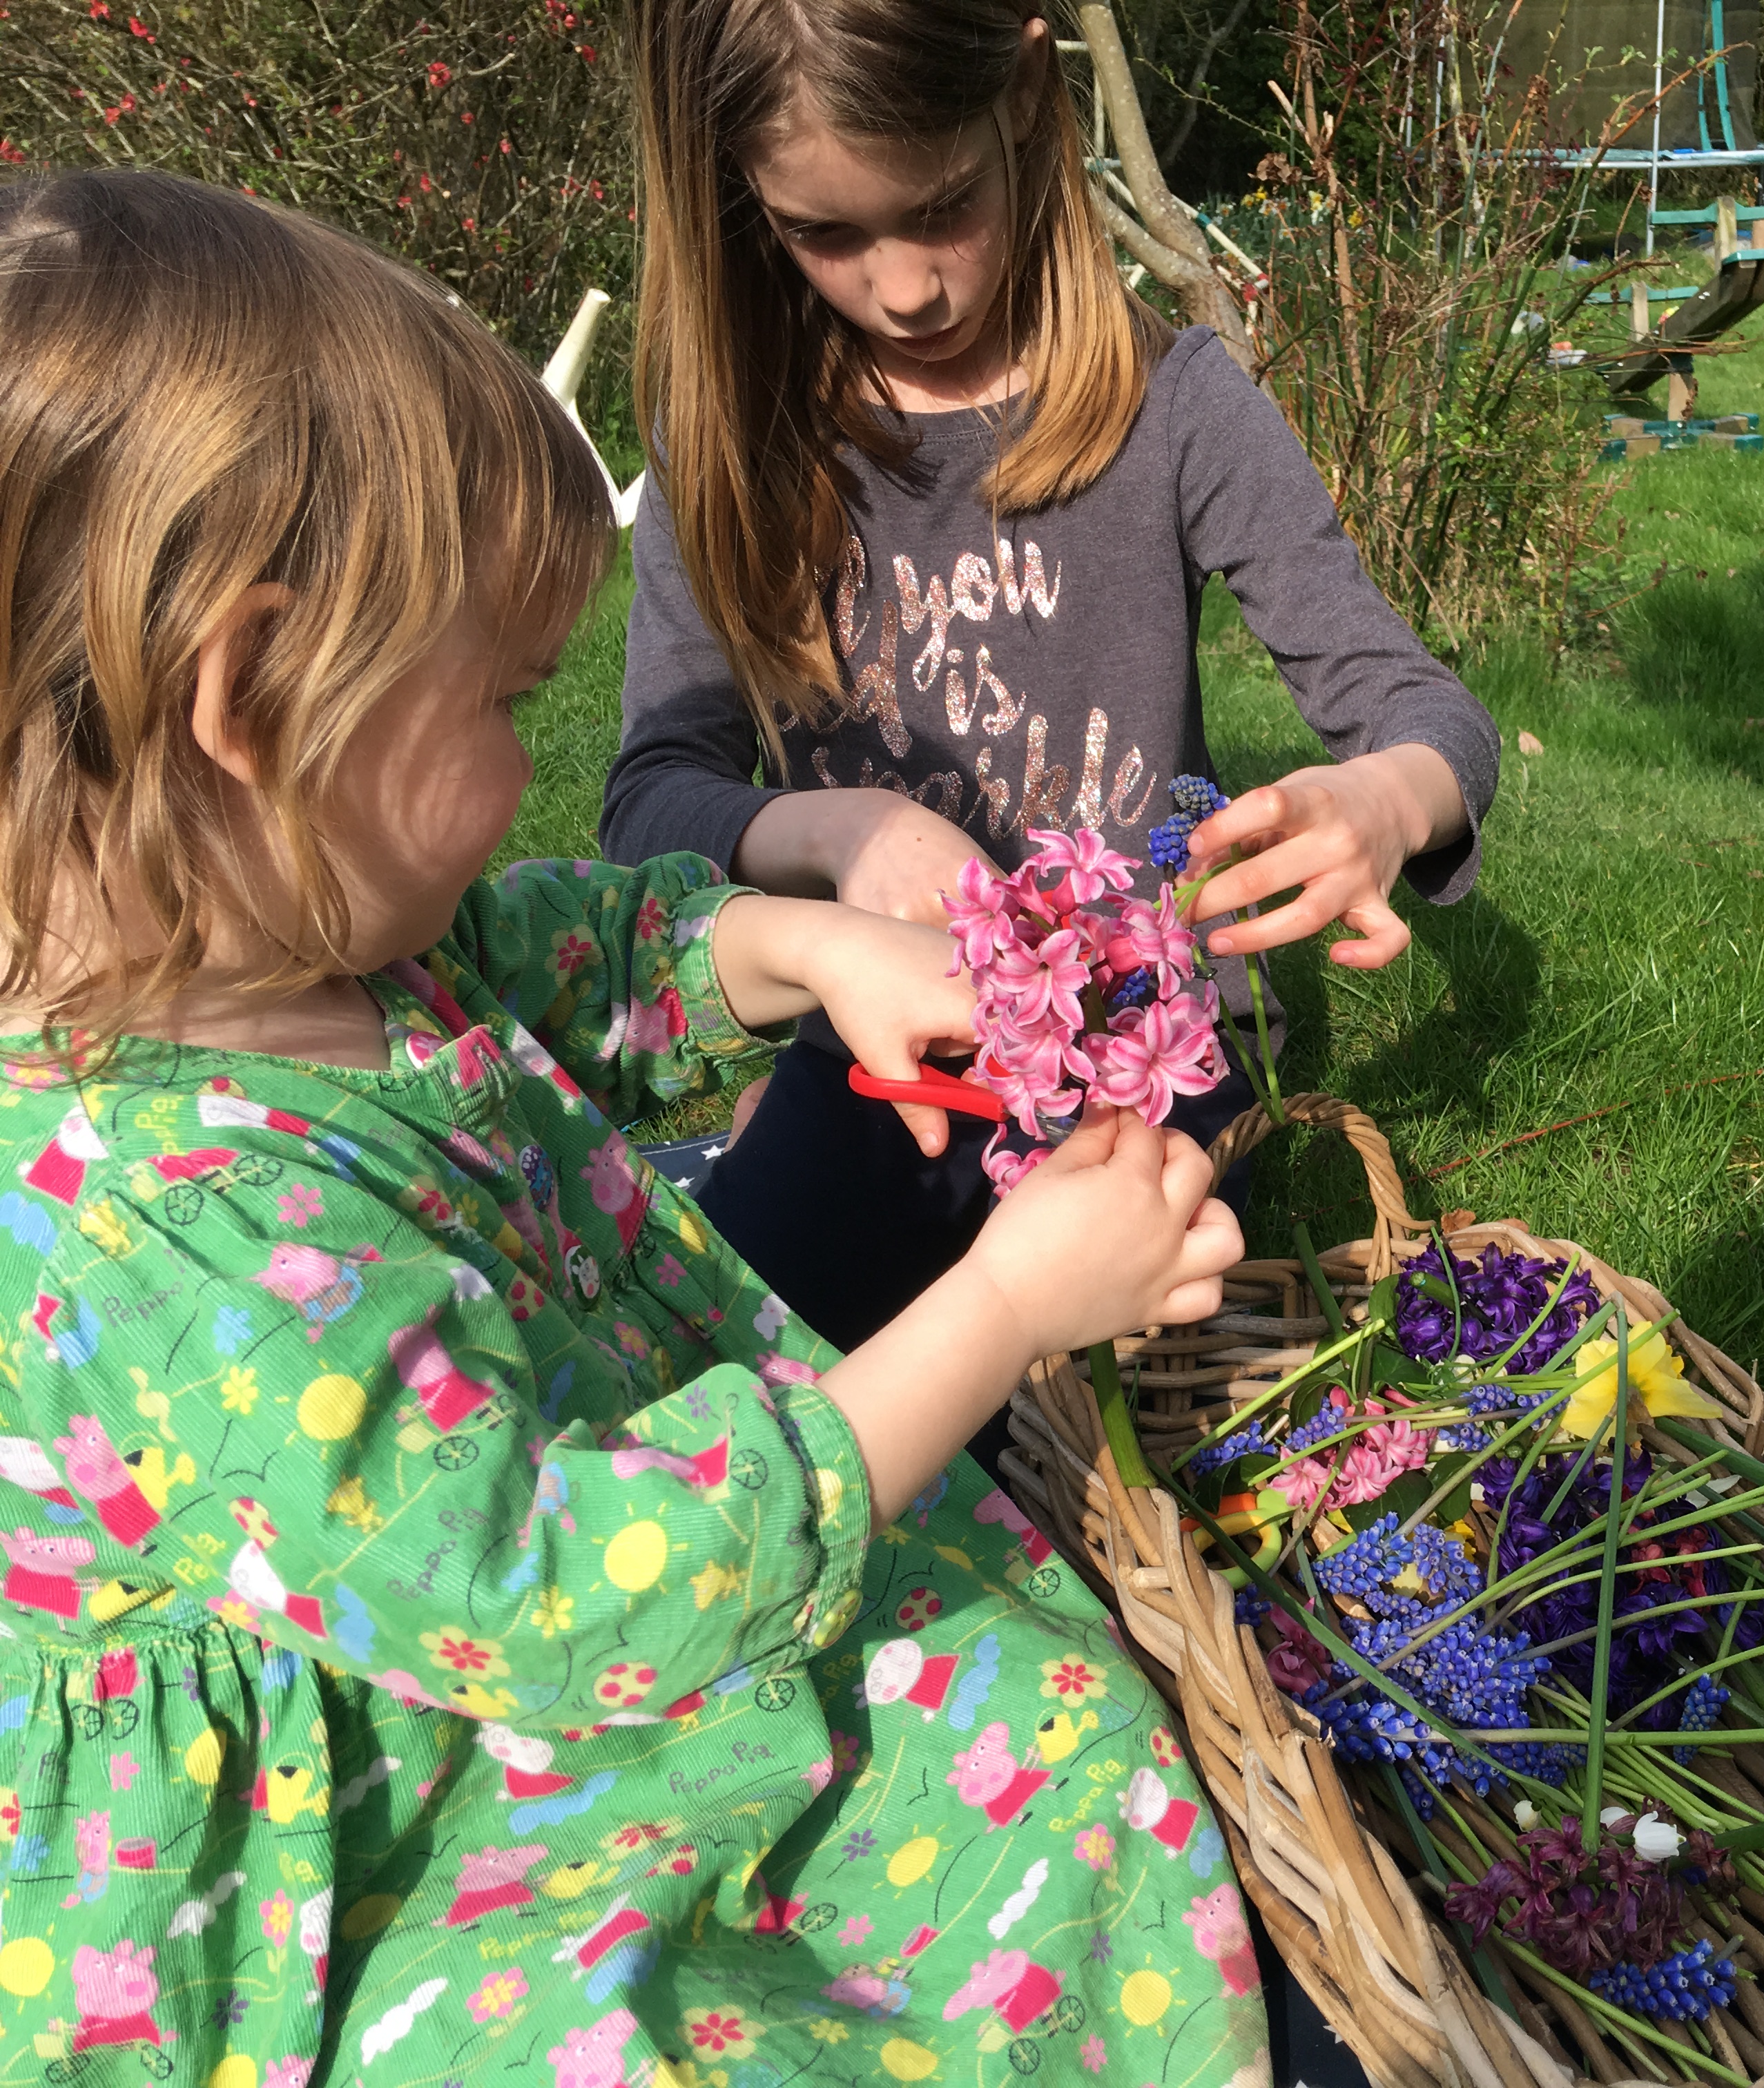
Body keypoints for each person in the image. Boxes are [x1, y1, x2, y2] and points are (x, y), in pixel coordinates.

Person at [0, 168, 1261, 2088]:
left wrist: (794, 944)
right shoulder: (167, 1244)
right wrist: (1007, 1307)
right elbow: (567, 1593)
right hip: (400, 1813)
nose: (535, 762)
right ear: (250, 696)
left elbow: (534, 956)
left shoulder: (280, 944)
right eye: (505, 703)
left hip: (519, 1642)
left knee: (986, 1722)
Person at [601, 0, 1502, 1355]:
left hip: (1136, 1080)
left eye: (939, 204)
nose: (903, 286)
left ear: (1026, 95)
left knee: (1117, 1458)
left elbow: (1424, 714)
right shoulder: (732, 445)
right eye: (824, 233)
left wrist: (1382, 802)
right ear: (737, 194)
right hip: (878, 1061)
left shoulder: (1177, 408)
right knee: (728, 1392)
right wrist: (844, 827)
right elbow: (652, 799)